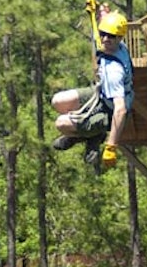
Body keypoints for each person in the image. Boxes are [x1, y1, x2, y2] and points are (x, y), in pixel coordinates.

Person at [51, 10, 134, 170]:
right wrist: (98, 12)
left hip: (110, 111)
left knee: (61, 124)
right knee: (57, 101)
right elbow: (104, 29)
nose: (105, 39)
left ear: (120, 38)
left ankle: (93, 135)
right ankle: (85, 131)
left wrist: (111, 146)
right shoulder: (117, 45)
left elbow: (121, 110)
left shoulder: (114, 72)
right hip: (102, 94)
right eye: (103, 34)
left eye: (110, 36)